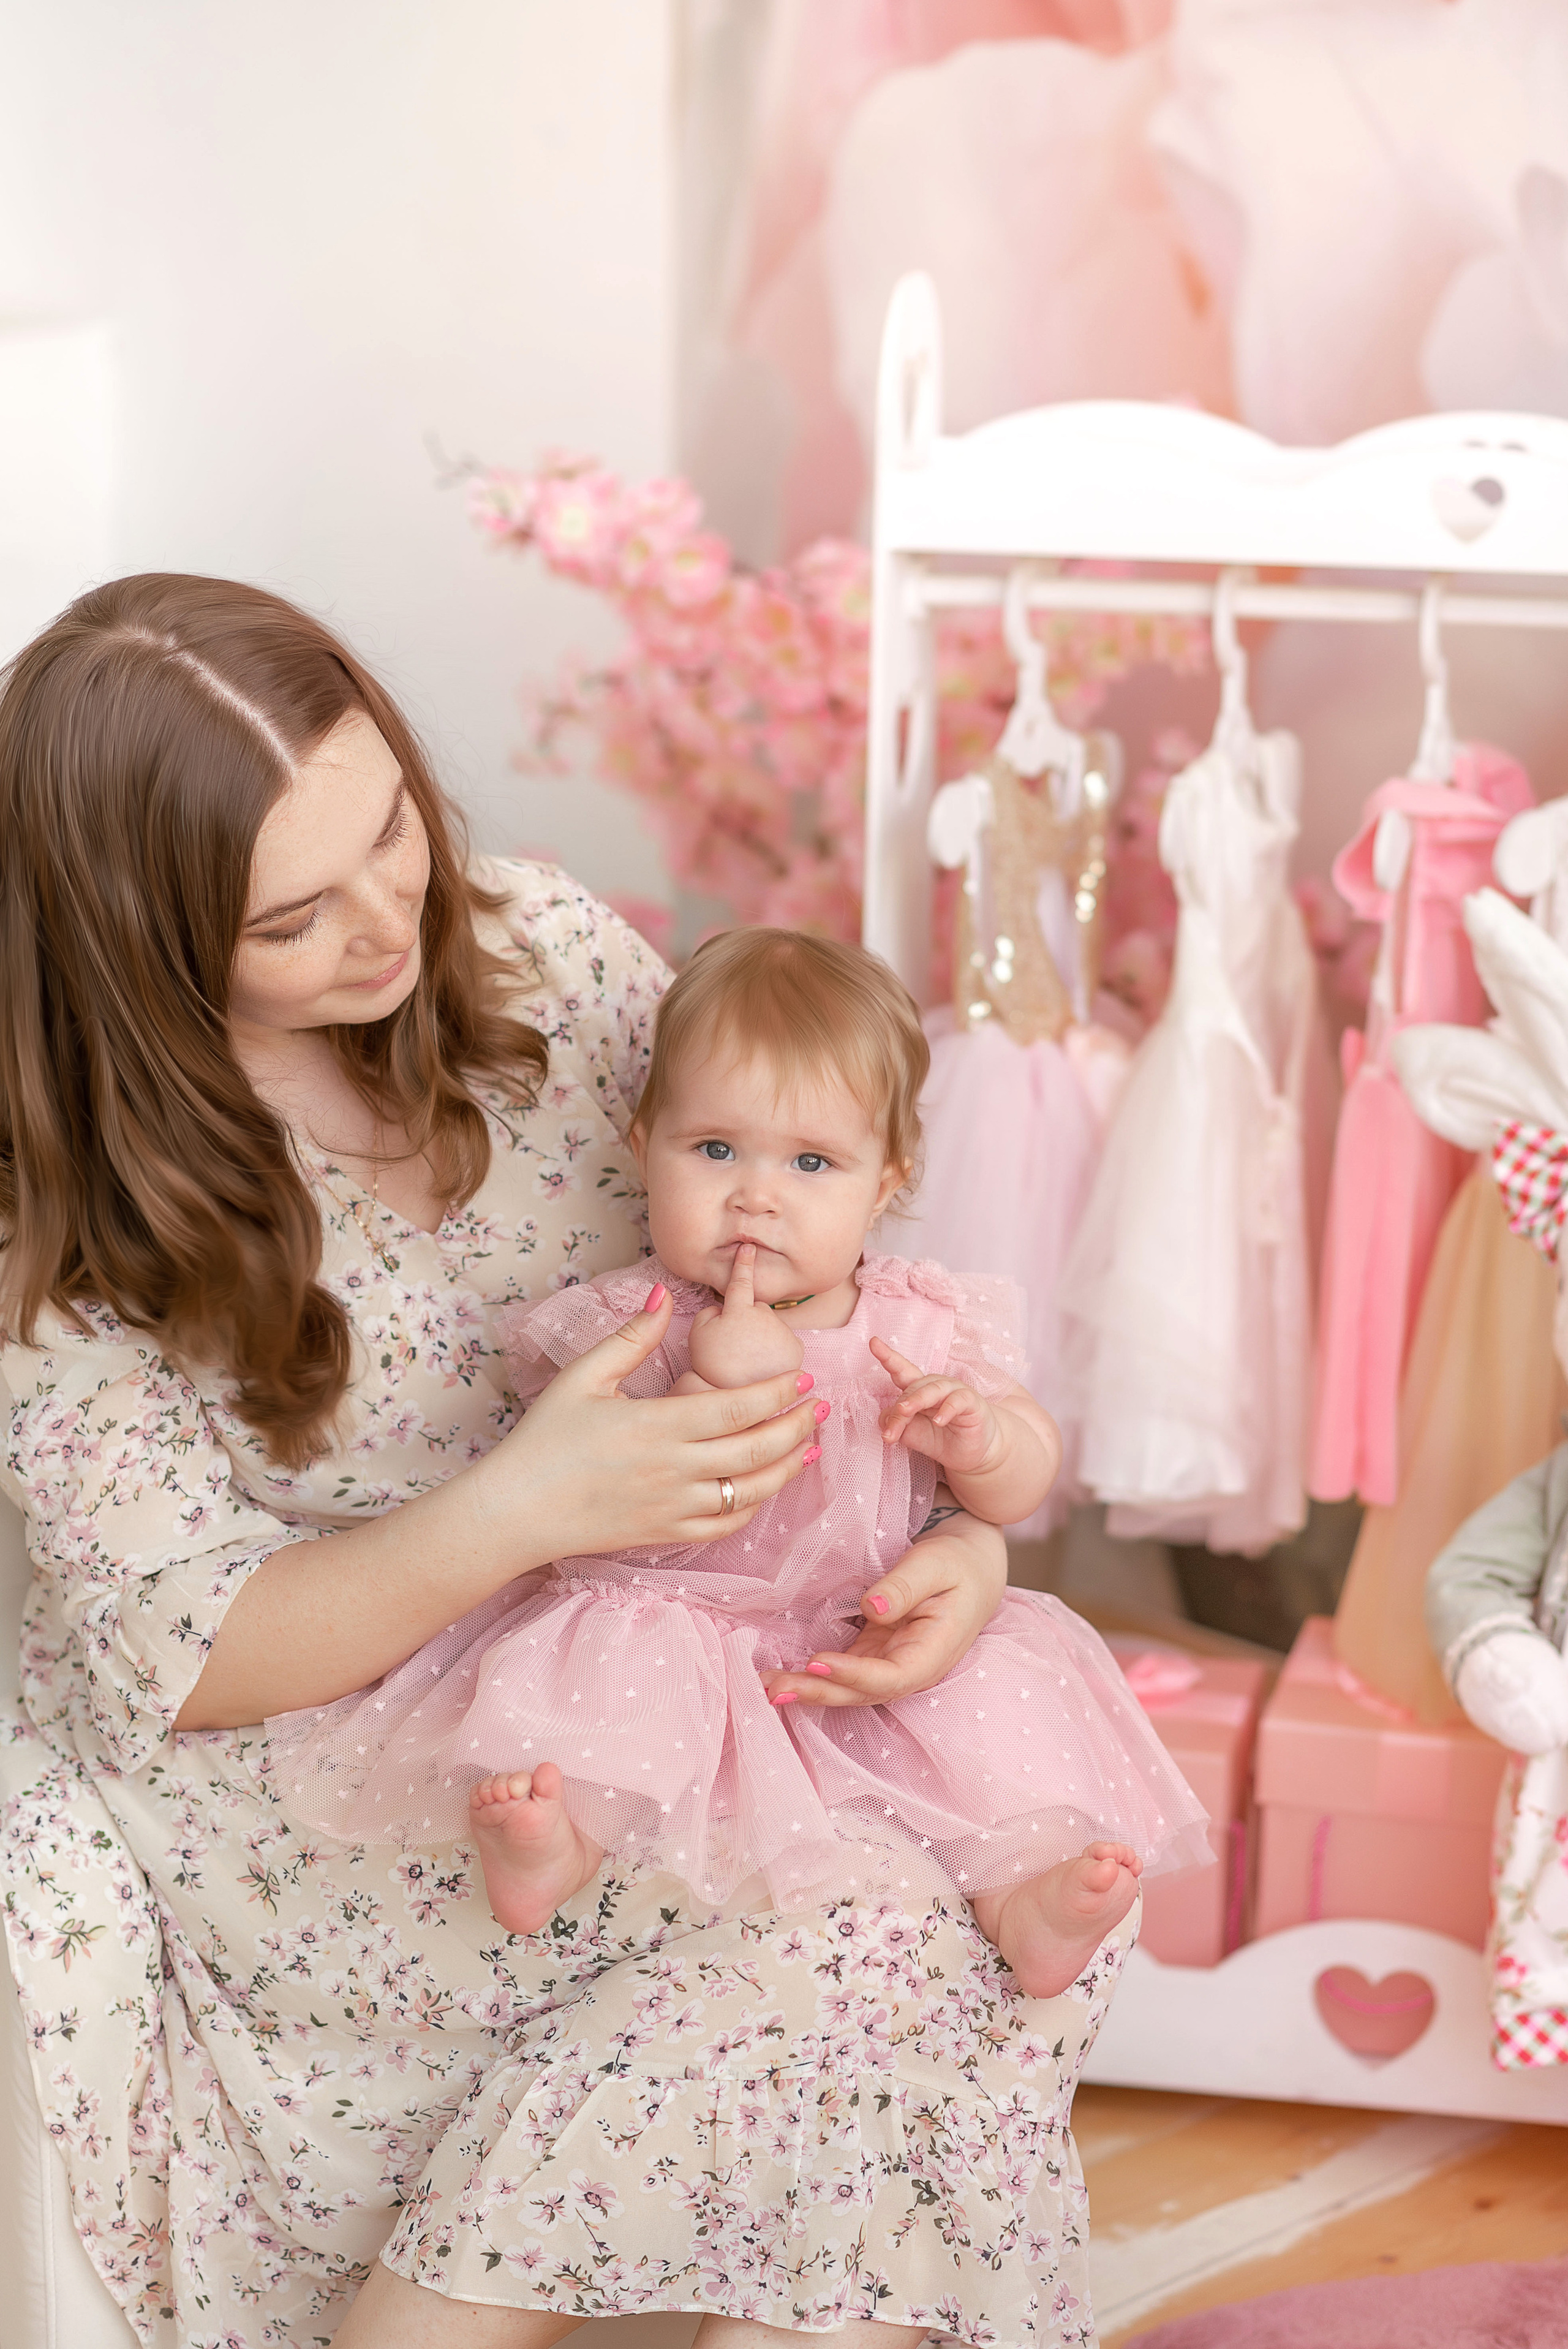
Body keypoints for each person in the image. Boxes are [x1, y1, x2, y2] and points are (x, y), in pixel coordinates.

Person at [0, 573, 1137, 2349]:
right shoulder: (60, 1205)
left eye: (392, 828)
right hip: (362, 1783)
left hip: (692, 1673)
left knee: (984, 1887)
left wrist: (958, 1554)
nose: (387, 919)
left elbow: (793, 1266)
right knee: (891, 1946)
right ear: (142, 938)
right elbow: (187, 1657)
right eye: (293, 917)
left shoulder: (542, 954)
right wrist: (525, 1506)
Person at [271, 929, 1210, 1997]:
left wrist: (985, 1440)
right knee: (599, 1664)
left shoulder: (922, 1318)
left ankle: (1020, 1895)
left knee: (991, 1693)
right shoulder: (635, 1320)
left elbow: (1020, 1479)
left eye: (811, 1163)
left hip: (862, 1628)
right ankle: (558, 1838)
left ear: (888, 1178)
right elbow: (587, 1495)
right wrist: (699, 1391)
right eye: (715, 1150)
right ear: (644, 1144)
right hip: (681, 1619)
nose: (757, 1195)